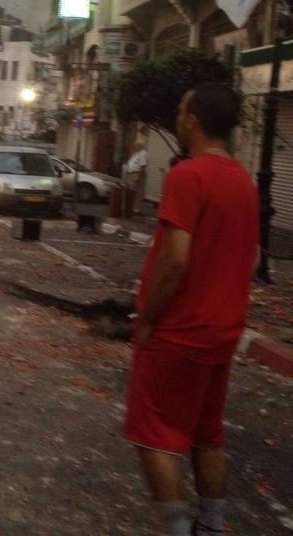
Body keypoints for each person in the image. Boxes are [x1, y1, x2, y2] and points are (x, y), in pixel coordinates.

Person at [124, 83, 258, 536]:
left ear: (194, 120)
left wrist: (147, 318)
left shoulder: (187, 176)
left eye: (182, 109)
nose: (178, 115)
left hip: (179, 332)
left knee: (152, 436)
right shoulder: (243, 180)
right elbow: (253, 257)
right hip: (222, 332)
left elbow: (176, 257)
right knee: (207, 435)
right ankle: (212, 526)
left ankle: (180, 530)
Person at [125, 141, 149, 215]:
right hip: (131, 174)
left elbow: (142, 166)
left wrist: (138, 177)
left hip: (137, 174)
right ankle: (131, 207)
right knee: (131, 191)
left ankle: (136, 210)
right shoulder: (136, 153)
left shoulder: (143, 153)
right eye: (134, 145)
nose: (134, 146)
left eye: (136, 145)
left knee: (138, 193)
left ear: (140, 145)